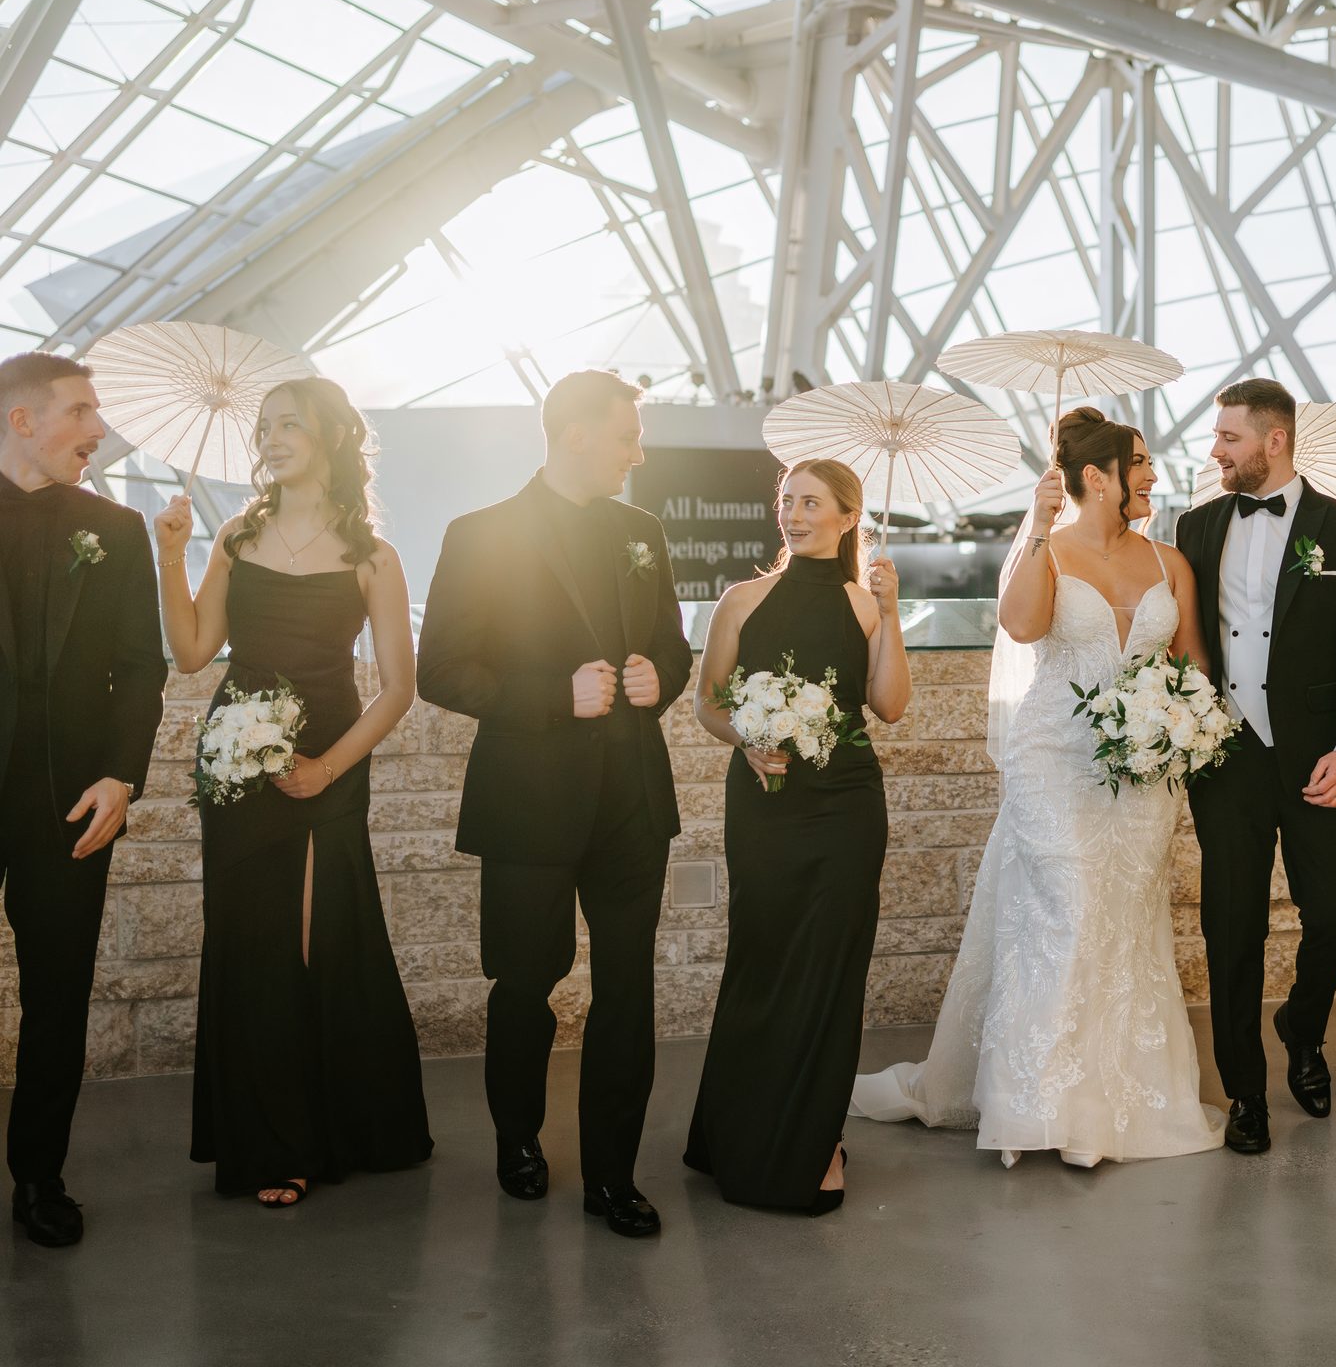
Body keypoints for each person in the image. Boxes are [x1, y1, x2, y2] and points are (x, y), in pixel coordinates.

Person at [853, 409, 1223, 1166]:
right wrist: (1035, 525)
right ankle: (1037, 1105)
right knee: (1066, 912)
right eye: (1141, 463)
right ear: (1099, 477)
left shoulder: (1170, 562)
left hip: (1146, 775)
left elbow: (1194, 669)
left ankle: (1113, 1102)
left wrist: (1179, 727)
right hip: (1055, 759)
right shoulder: (1045, 551)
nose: (1154, 475)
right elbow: (1022, 629)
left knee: (1123, 921)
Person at [416, 370, 692, 1237]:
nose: (637, 452)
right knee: (525, 985)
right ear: (575, 434)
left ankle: (614, 1175)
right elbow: (441, 671)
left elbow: (675, 650)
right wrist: (550, 694)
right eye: (626, 435)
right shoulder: (480, 534)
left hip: (633, 803)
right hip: (529, 803)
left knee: (628, 991)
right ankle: (517, 1141)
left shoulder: (643, 531)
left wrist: (661, 678)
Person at [154, 378, 431, 1207]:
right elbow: (197, 651)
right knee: (254, 941)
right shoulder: (237, 535)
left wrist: (326, 769)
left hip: (331, 761)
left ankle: (341, 1123)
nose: (269, 439)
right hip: (238, 762)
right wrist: (171, 554)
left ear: (332, 438)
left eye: (288, 425)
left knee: (318, 938)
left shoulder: (374, 557)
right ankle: (275, 1145)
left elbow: (397, 689)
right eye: (263, 427)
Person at [685, 460, 909, 1211]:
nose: (793, 513)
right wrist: (745, 738)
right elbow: (707, 705)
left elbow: (890, 706)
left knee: (830, 972)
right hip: (765, 804)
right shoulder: (741, 599)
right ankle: (731, 1129)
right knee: (762, 958)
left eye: (810, 502)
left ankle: (817, 1139)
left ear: (849, 517)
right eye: (787, 501)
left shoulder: (864, 600)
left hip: (847, 805)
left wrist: (893, 611)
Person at [1177, 380, 1336, 1152]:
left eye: (1228, 438)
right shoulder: (1195, 527)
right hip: (1227, 760)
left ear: (1273, 441)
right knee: (1230, 930)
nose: (1216, 451)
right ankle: (1245, 1092)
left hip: (1321, 761)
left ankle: (1301, 1025)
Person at [0, 353, 167, 1249]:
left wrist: (121, 772)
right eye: (80, 410)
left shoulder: (116, 527)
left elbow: (141, 665)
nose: (97, 426)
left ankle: (39, 1177)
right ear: (24, 420)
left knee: (58, 995)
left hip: (70, 802)